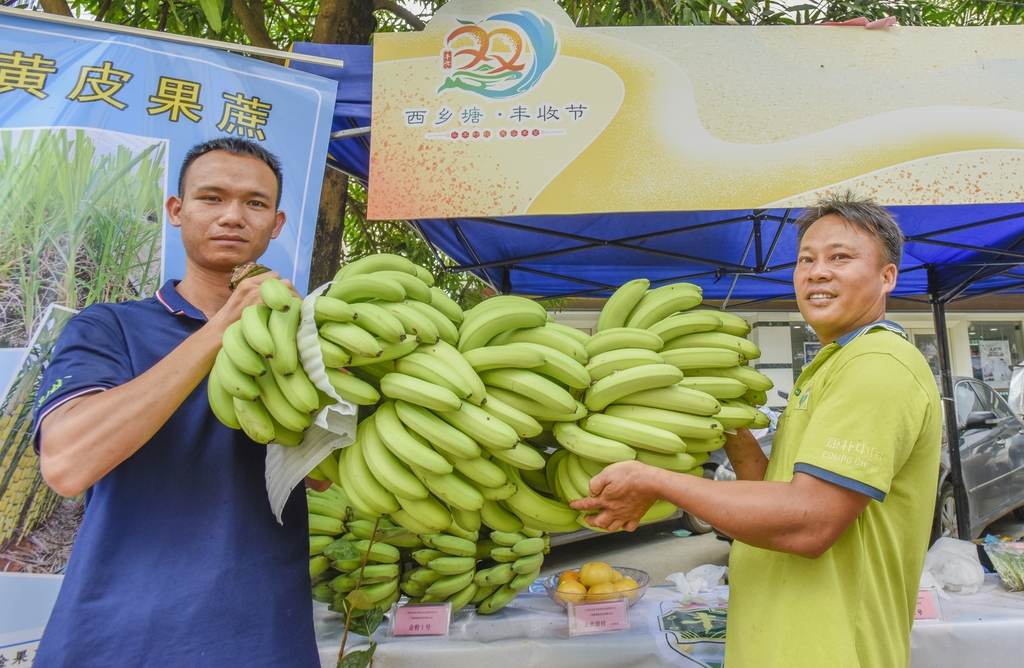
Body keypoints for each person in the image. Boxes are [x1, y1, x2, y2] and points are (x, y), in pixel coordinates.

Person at [572, 193, 942, 668]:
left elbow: (810, 522)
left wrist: (657, 481)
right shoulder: (831, 365)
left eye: (840, 258)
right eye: (805, 260)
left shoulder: (878, 365)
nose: (817, 272)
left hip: (831, 652)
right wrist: (725, 423)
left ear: (886, 276)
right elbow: (773, 495)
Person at [32, 138, 321, 667]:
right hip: (120, 640)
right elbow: (67, 464)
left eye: (254, 203)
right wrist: (219, 332)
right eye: (212, 197)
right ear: (176, 210)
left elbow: (326, 477)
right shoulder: (108, 327)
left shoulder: (301, 344)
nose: (233, 215)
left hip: (264, 638)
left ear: (276, 224)